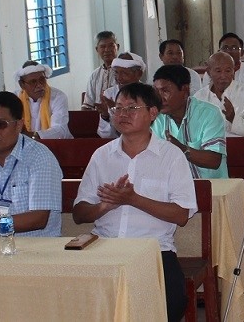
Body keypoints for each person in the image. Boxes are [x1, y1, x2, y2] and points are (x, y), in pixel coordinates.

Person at [73, 82, 195, 322]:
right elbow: (79, 214)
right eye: (118, 108)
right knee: (76, 300)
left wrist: (133, 199)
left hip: (154, 250)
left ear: (153, 113)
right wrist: (105, 206)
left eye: (132, 108)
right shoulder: (102, 155)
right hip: (104, 247)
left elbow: (181, 215)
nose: (122, 114)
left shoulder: (171, 156)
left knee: (172, 301)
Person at [0, 92, 63, 237]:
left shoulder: (40, 157)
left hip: (37, 247)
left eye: (0, 124)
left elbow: (39, 218)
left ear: (19, 125)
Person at [152, 64, 229, 179]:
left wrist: (181, 149)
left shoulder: (209, 114)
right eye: (156, 92)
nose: (159, 98)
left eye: (165, 91)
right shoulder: (156, 118)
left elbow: (214, 160)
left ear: (185, 90)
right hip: (173, 187)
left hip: (212, 187)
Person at [194, 51, 244, 138]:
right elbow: (193, 131)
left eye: (228, 71)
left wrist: (233, 119)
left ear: (233, 71)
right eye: (218, 71)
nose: (223, 76)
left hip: (240, 145)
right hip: (208, 146)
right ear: (209, 72)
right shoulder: (199, 98)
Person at [95, 52, 147, 138]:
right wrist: (105, 116)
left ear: (139, 74)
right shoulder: (108, 94)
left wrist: (115, 110)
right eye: (116, 73)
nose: (119, 78)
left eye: (124, 73)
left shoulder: (148, 93)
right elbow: (105, 135)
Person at [15, 61, 73, 139]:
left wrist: (33, 136)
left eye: (42, 80)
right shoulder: (14, 98)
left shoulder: (58, 96)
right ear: (22, 85)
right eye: (33, 82)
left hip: (56, 143)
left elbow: (60, 130)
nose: (39, 85)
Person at [80, 31, 119, 111]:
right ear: (97, 49)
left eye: (111, 46)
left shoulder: (125, 72)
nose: (107, 50)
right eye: (103, 46)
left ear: (117, 47)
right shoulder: (95, 75)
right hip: (98, 117)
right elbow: (87, 105)